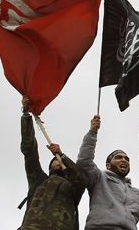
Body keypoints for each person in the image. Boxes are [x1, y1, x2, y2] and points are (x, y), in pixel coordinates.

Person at [19, 97, 86, 230]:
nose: (58, 162)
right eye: (55, 160)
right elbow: (29, 151)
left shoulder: (72, 187)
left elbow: (80, 180)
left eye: (60, 161)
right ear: (50, 167)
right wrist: (26, 115)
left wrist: (62, 155)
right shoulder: (38, 180)